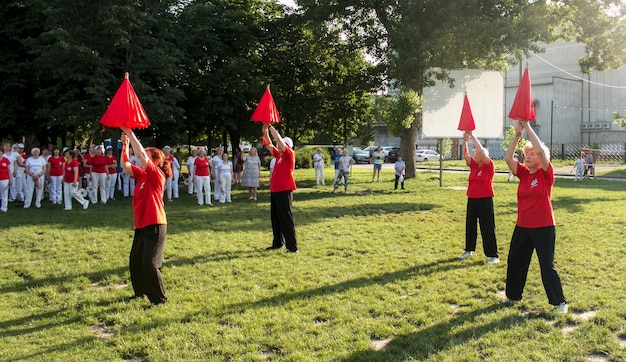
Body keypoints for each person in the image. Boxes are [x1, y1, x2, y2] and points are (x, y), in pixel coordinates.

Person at [504, 121, 568, 313]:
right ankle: (513, 296)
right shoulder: (523, 174)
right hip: (522, 226)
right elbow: (508, 158)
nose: (528, 157)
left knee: (546, 266)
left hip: (544, 227)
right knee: (515, 261)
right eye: (526, 154)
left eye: (532, 154)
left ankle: (560, 302)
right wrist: (517, 135)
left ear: (541, 158)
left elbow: (541, 152)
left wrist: (528, 127)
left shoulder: (546, 174)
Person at [120, 127, 171, 306]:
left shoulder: (156, 174)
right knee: (135, 260)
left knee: (150, 263)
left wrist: (129, 131)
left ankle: (159, 300)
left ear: (155, 161)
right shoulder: (142, 175)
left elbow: (140, 154)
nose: (142, 157)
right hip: (142, 224)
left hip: (155, 224)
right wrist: (125, 145)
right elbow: (125, 165)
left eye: (147, 155)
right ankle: (140, 292)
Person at [458, 131, 499, 264]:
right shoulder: (474, 166)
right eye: (475, 153)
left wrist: (472, 136)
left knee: (487, 226)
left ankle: (493, 255)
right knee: (470, 224)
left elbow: (481, 150)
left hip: (485, 199)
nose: (475, 155)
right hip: (472, 198)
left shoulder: (489, 166)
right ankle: (468, 249)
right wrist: (465, 140)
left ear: (483, 155)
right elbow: (466, 155)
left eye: (477, 153)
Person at [262, 124, 298, 253]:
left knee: (285, 218)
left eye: (282, 143)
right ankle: (277, 243)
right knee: (275, 218)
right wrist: (265, 131)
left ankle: (292, 247)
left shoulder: (289, 154)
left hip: (284, 189)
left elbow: (277, 140)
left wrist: (270, 126)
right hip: (275, 190)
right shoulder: (279, 156)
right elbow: (268, 144)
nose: (278, 145)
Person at [0, 147, 11, 212]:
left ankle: (4, 207)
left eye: (1, 151)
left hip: (4, 178)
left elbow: (9, 170)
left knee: (4, 193)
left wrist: (10, 179)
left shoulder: (6, 160)